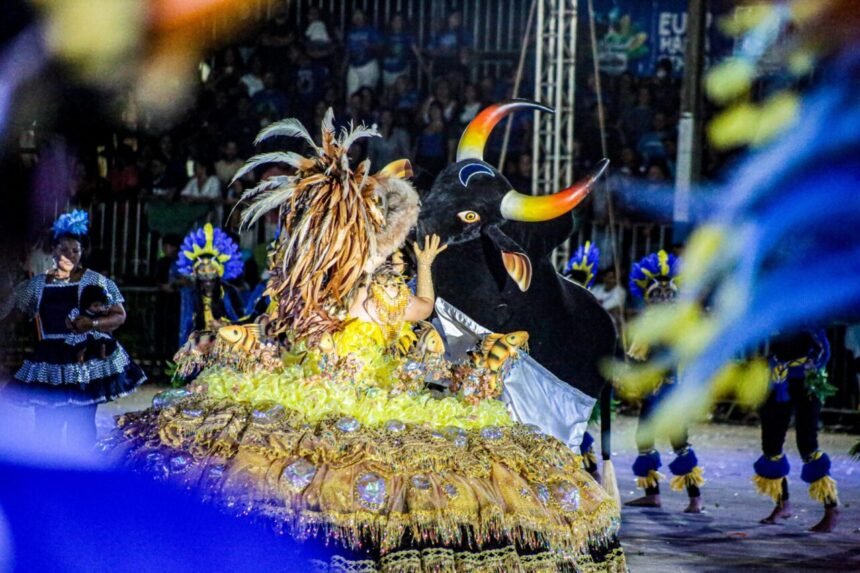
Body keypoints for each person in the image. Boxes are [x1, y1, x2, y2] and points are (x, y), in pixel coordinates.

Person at [103, 112, 625, 571]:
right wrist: (415, 266)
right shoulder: (371, 289)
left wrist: (406, 265)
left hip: (336, 387)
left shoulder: (343, 288)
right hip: (357, 391)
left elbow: (387, 312)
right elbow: (410, 308)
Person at [1, 209, 145, 447]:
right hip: (49, 362)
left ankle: (81, 465)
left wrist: (93, 324)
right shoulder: (36, 285)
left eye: (75, 250)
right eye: (64, 249)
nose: (69, 255)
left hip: (83, 362)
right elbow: (10, 313)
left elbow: (119, 315)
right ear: (53, 251)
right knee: (46, 426)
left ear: (82, 252)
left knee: (82, 425)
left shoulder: (95, 281)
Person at [625, 250, 704, 513]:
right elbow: (639, 356)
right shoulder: (651, 321)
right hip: (654, 390)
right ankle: (653, 495)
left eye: (667, 294)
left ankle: (695, 498)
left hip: (671, 390)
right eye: (657, 294)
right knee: (644, 439)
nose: (662, 298)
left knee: (679, 441)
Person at [755, 329, 839, 532]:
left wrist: (813, 367)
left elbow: (824, 348)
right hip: (779, 379)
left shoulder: (806, 315)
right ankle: (782, 503)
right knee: (771, 446)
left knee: (807, 446)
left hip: (806, 382)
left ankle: (831, 509)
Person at [563, 242, 603, 481]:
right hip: (567, 375)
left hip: (581, 377)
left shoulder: (590, 310)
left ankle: (592, 472)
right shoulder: (563, 308)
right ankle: (588, 472)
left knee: (577, 424)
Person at [64, 284, 112, 363]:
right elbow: (69, 319)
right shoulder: (79, 311)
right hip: (82, 333)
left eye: (101, 305)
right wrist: (71, 328)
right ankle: (80, 357)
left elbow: (104, 322)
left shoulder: (100, 313)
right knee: (83, 345)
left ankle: (102, 355)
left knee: (102, 341)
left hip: (95, 332)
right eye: (95, 306)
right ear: (87, 303)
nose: (99, 308)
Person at [344, 9, 382, 99]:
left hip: (368, 65)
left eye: (359, 14)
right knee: (351, 95)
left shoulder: (371, 30)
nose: (357, 17)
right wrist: (343, 67)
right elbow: (347, 52)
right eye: (355, 14)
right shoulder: (350, 32)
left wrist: (370, 46)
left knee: (366, 95)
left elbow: (381, 48)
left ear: (364, 16)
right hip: (353, 67)